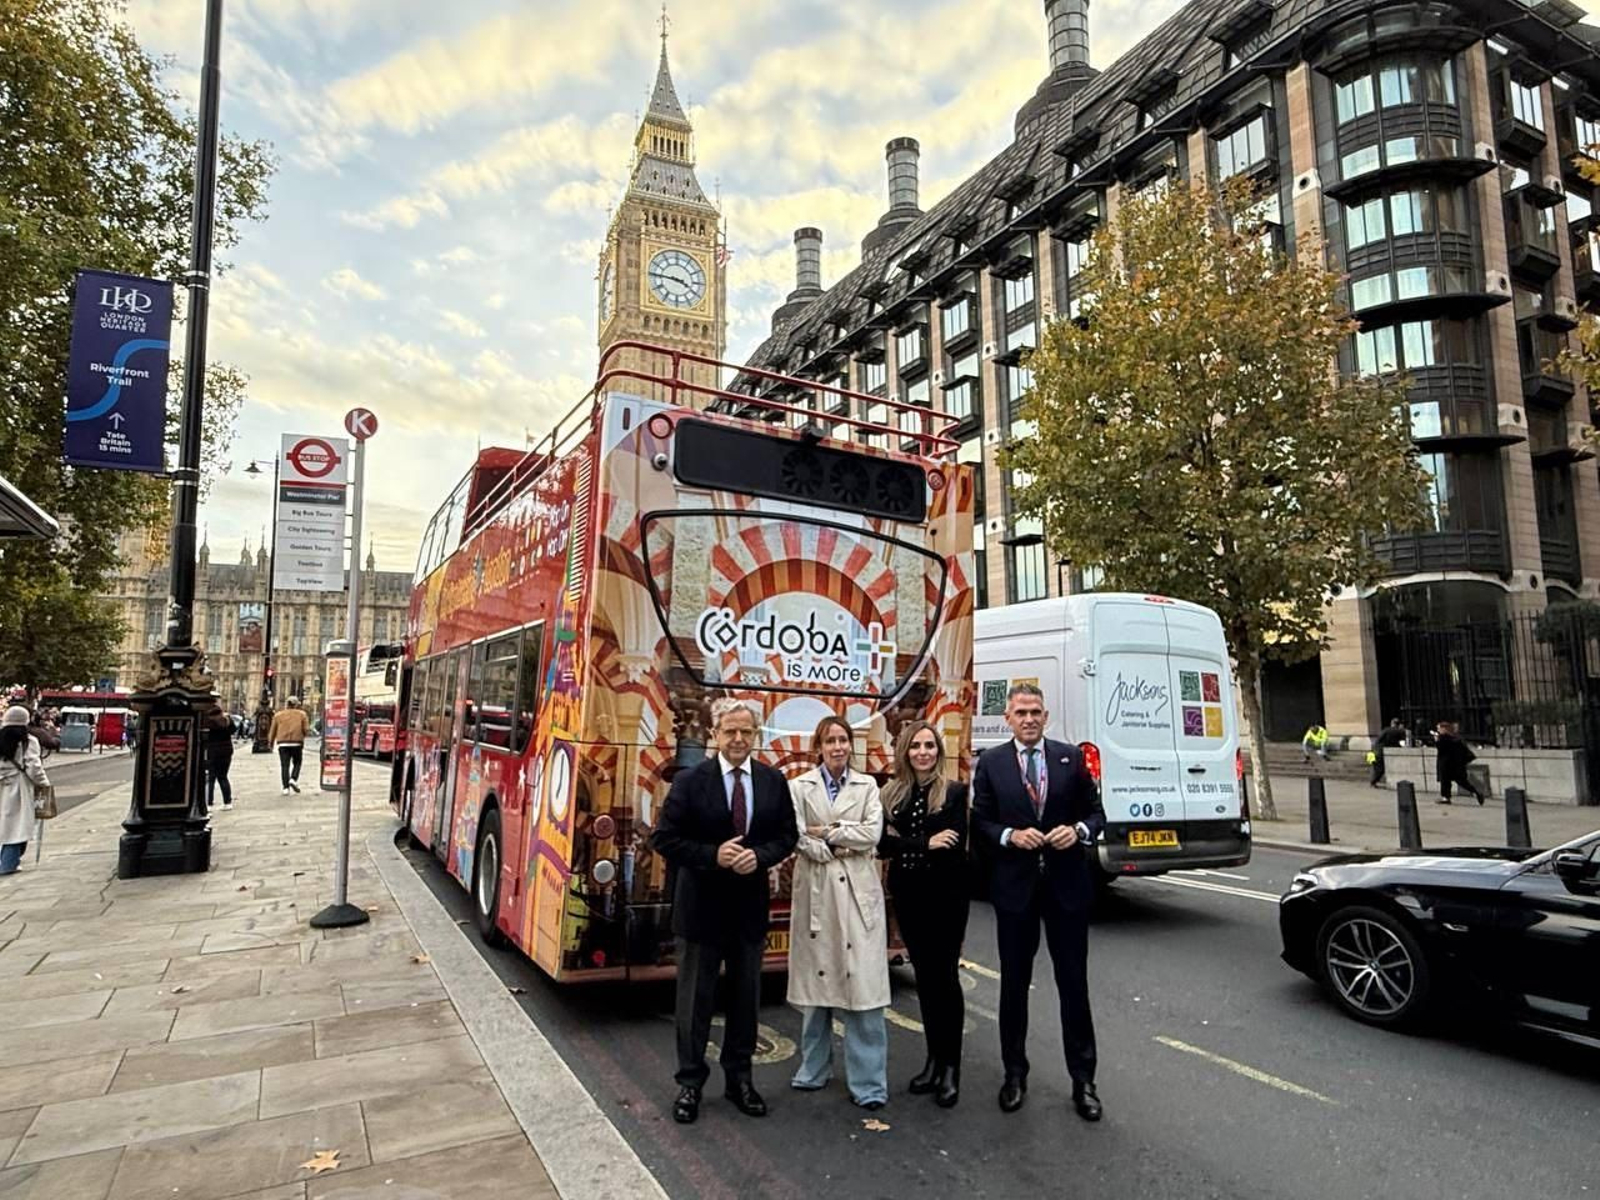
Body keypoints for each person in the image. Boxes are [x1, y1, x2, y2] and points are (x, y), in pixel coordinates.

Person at [653, 698, 798, 1125]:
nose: (738, 739)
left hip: (748, 910)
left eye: (745, 732)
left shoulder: (772, 780)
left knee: (745, 1001)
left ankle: (740, 1081)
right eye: (730, 731)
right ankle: (690, 1084)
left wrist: (761, 856)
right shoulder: (690, 781)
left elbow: (787, 835)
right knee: (694, 1004)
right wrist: (712, 855)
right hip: (700, 909)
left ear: (756, 736)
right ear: (715, 734)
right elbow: (665, 839)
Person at [972, 682, 1107, 1122]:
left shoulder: (1070, 759)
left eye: (1035, 712)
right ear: (1007, 719)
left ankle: (1084, 1081)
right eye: (1021, 713)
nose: (1029, 719)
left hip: (1067, 889)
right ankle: (1014, 1074)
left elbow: (1096, 814)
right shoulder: (991, 763)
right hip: (1016, 890)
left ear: (1046, 717)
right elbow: (981, 822)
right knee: (1014, 985)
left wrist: (1079, 832)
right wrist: (1010, 836)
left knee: (1074, 986)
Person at [787, 715, 890, 1110]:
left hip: (858, 892)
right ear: (819, 747)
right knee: (817, 990)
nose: (837, 747)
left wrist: (827, 832)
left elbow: (872, 834)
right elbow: (797, 835)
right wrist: (835, 842)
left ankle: (869, 1083)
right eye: (829, 740)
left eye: (843, 739)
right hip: (817, 889)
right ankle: (813, 1069)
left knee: (864, 990)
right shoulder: (799, 786)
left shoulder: (868, 786)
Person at [878, 719, 969, 1107]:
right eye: (916, 746)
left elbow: (953, 844)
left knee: (945, 980)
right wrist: (923, 843)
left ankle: (951, 1068)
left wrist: (906, 842)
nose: (923, 752)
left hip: (946, 897)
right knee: (926, 981)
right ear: (905, 751)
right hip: (909, 895)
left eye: (929, 745)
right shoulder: (891, 794)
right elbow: (882, 845)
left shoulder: (954, 792)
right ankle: (932, 1061)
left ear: (938, 751)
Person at [0, 706, 50, 875]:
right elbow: (34, 768)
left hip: (2, 785)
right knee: (17, 826)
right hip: (19, 786)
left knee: (6, 824)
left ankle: (7, 860)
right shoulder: (28, 741)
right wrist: (44, 784)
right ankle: (8, 863)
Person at [1433, 721, 1485, 805]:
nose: (1438, 730)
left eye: (1439, 728)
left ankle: (1446, 797)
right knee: (1462, 781)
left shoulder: (1443, 738)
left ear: (1444, 729)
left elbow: (1441, 748)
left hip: (1446, 763)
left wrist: (1436, 740)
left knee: (1445, 781)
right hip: (1456, 764)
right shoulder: (1455, 738)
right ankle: (1476, 792)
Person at [269, 697, 310, 794]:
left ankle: (285, 788)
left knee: (285, 765)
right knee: (297, 762)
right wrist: (303, 735)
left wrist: (271, 743)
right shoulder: (302, 714)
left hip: (283, 743)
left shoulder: (278, 715)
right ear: (296, 705)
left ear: (287, 704)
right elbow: (306, 729)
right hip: (297, 743)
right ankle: (293, 779)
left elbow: (273, 730)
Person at [205, 708, 235, 810]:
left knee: (211, 778)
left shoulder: (210, 722)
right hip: (226, 751)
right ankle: (227, 802)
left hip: (213, 751)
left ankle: (209, 803)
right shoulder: (227, 720)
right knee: (223, 777)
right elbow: (233, 730)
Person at [1369, 718, 1407, 787]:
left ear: (1392, 723)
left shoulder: (1386, 730)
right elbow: (1401, 743)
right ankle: (1373, 781)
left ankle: (1373, 781)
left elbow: (1378, 739)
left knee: (1375, 766)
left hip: (1374, 751)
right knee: (1380, 768)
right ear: (1398, 724)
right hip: (1380, 752)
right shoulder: (1399, 731)